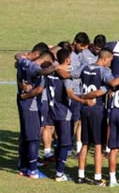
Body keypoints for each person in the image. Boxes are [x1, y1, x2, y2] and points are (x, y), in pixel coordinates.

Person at [46, 49, 95, 181]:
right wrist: (83, 100)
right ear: (68, 59)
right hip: (63, 112)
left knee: (58, 140)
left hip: (51, 110)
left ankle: (57, 170)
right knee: (64, 143)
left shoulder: (50, 71)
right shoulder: (65, 75)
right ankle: (59, 173)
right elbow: (69, 93)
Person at [15, 49, 58, 178]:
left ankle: (23, 167)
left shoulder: (24, 62)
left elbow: (17, 56)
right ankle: (33, 170)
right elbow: (39, 88)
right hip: (31, 106)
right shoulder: (36, 68)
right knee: (33, 138)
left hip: (23, 104)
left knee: (25, 136)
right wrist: (55, 67)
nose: (49, 66)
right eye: (49, 63)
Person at [77, 49, 115, 186]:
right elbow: (112, 84)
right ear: (106, 59)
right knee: (98, 144)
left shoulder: (85, 67)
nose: (110, 63)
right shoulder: (104, 71)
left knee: (85, 143)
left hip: (84, 109)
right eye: (110, 60)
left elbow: (74, 75)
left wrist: (82, 96)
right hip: (97, 109)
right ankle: (97, 177)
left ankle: (80, 175)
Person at [70, 32, 90, 155]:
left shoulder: (81, 55)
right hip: (69, 91)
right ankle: (64, 143)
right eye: (82, 46)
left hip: (78, 91)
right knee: (69, 120)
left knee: (77, 119)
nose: (83, 49)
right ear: (76, 42)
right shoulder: (68, 54)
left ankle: (73, 144)